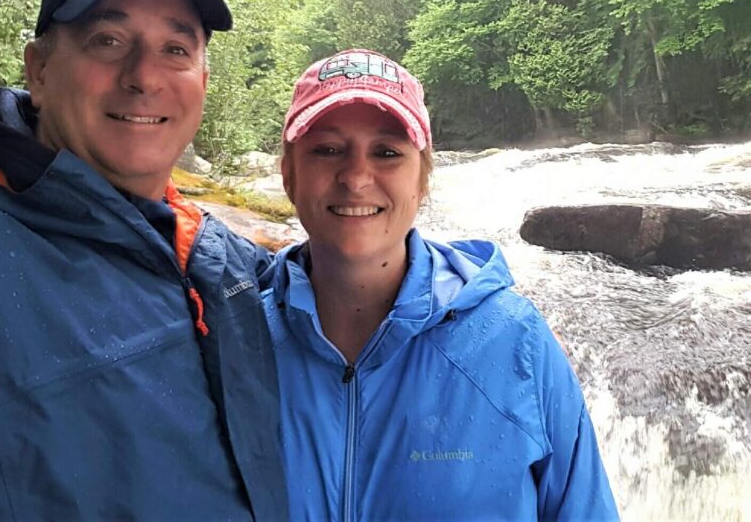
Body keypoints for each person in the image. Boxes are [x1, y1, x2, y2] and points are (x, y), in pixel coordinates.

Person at [0, 0, 288, 520]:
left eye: (176, 49)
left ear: (203, 83)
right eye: (108, 40)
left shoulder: (209, 252)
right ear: (39, 69)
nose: (144, 75)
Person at [265, 48, 619, 520]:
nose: (355, 176)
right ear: (289, 174)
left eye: (387, 152)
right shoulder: (233, 336)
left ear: (422, 179)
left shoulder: (517, 340)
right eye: (327, 150)